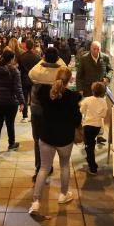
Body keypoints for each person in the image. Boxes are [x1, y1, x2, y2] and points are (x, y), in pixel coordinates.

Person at [29, 67, 82, 215]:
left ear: (55, 77)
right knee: (65, 166)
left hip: (46, 136)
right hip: (65, 138)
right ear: (70, 80)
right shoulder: (73, 97)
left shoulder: (45, 93)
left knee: (44, 168)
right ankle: (63, 195)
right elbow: (77, 119)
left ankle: (35, 202)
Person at [27, 47, 67, 182]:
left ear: (44, 57)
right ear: (57, 58)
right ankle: (48, 165)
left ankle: (40, 168)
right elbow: (64, 67)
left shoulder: (38, 71)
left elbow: (30, 73)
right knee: (50, 141)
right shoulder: (60, 72)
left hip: (38, 111)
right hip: (55, 112)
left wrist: (43, 60)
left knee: (38, 141)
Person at [0, 49, 22, 159]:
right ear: (12, 59)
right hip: (10, 102)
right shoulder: (15, 71)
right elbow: (18, 88)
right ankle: (11, 144)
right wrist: (22, 102)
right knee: (10, 124)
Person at [79, 81, 110, 176]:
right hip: (97, 126)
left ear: (92, 90)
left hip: (87, 125)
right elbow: (104, 115)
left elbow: (81, 110)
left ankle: (93, 167)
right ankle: (89, 158)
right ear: (102, 92)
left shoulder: (87, 100)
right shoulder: (104, 101)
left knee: (90, 146)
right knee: (91, 142)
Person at [17, 39, 41, 123]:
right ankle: (33, 116)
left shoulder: (21, 56)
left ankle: (25, 116)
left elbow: (19, 68)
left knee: (24, 97)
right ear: (33, 46)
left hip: (24, 78)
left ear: (26, 46)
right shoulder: (37, 56)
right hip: (34, 79)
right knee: (34, 99)